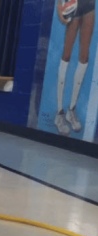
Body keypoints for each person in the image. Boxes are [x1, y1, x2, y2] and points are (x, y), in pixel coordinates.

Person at [54, 0, 95, 135]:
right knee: (66, 54)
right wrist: (60, 5)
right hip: (73, 4)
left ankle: (71, 110)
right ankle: (59, 113)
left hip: (89, 5)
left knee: (84, 56)